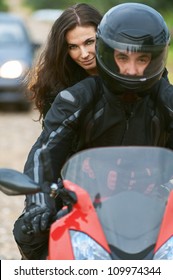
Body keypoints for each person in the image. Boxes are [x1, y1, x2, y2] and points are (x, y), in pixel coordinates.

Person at [13, 2, 173, 259]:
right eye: (123, 58)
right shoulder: (74, 97)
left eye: (142, 59)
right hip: (83, 198)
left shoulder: (164, 96)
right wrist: (39, 203)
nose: (132, 70)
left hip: (150, 200)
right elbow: (44, 152)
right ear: (110, 52)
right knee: (30, 229)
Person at [26, 3, 102, 123]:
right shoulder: (57, 86)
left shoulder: (128, 72)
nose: (84, 54)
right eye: (73, 46)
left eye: (89, 42)